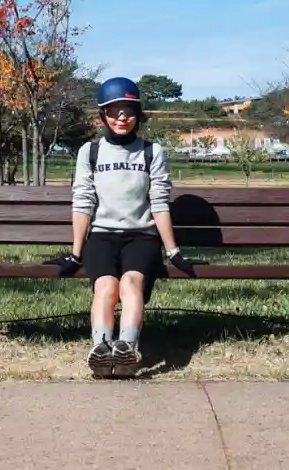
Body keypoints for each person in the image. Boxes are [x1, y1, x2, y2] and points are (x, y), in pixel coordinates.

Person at [69, 76, 184, 378]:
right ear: (103, 115)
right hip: (102, 238)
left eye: (129, 110)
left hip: (141, 237)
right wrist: (75, 252)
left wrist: (172, 251)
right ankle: (101, 350)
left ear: (138, 114)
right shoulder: (90, 152)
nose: (122, 117)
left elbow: (159, 203)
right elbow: (83, 203)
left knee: (130, 284)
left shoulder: (151, 152)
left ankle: (127, 348)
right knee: (105, 286)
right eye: (114, 111)